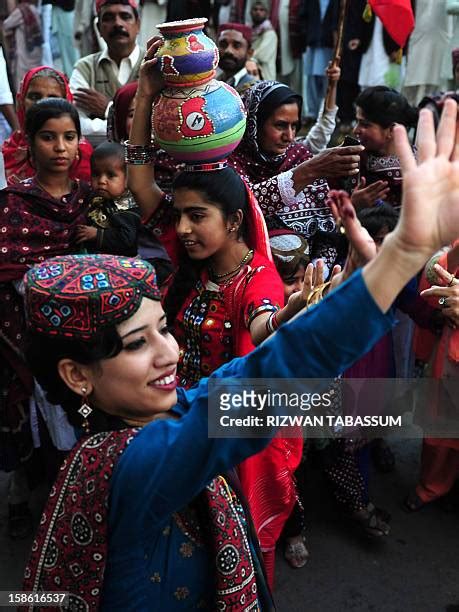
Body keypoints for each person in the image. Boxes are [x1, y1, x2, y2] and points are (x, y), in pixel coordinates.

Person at [21, 95, 459, 608]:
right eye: (139, 343)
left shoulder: (141, 425)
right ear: (77, 375)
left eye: (164, 329)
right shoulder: (135, 460)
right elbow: (262, 380)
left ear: (233, 221)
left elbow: (254, 366)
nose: (169, 353)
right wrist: (401, 258)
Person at [0, 98, 91, 539]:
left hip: (88, 328)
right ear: (30, 143)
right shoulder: (15, 203)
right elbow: (12, 271)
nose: (60, 147)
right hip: (32, 329)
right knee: (43, 409)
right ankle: (44, 493)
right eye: (48, 137)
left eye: (69, 137)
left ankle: (81, 490)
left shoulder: (90, 198)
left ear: (79, 143)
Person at [228, 79, 362, 269]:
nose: (289, 136)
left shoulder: (299, 155)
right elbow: (245, 205)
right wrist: (309, 170)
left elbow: (327, 230)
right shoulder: (231, 162)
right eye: (280, 125)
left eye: (294, 126)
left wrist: (318, 274)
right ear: (254, 123)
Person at [404, 247, 459, 511]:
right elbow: (435, 278)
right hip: (453, 353)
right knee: (441, 427)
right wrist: (446, 303)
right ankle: (431, 487)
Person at [2, 65, 93, 185]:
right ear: (21, 102)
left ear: (67, 102)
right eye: (34, 97)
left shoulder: (82, 155)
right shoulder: (8, 151)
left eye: (53, 97)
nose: (42, 103)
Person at [69, 0, 143, 143]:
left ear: (138, 25)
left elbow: (157, 126)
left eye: (125, 16)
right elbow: (76, 127)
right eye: (108, 18)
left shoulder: (153, 65)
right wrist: (132, 123)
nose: (118, 24)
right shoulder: (85, 68)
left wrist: (108, 110)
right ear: (99, 28)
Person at [351, 86, 419, 211]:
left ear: (391, 130)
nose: (355, 130)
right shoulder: (350, 162)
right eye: (357, 122)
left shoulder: (422, 167)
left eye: (365, 125)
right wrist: (352, 204)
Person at [75, 141, 141, 256]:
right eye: (96, 174)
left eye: (110, 175)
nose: (101, 181)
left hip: (122, 263)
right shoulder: (95, 197)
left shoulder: (125, 204)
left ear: (127, 179)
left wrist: (97, 234)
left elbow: (127, 239)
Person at [2, 0, 43, 90]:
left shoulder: (20, 11)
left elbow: (6, 24)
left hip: (23, 53)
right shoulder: (33, 9)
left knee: (21, 81)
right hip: (34, 51)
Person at [216, 22, 259, 95]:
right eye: (223, 45)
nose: (228, 50)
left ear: (249, 53)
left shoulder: (255, 88)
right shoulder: (213, 83)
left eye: (236, 46)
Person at [50, 0, 80, 77]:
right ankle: (70, 74)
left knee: (71, 48)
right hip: (61, 12)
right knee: (64, 47)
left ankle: (75, 75)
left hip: (67, 12)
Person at [250, 1, 278, 81]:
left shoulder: (270, 33)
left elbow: (261, 56)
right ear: (250, 12)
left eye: (261, 10)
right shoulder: (252, 31)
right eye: (255, 9)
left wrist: (246, 56)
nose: (258, 12)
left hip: (266, 77)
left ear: (267, 13)